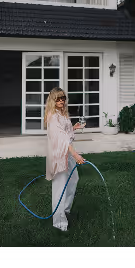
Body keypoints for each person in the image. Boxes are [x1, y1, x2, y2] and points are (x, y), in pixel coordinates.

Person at [43, 88, 87, 233]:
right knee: (60, 187)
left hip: (66, 154)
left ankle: (65, 209)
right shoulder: (52, 116)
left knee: (73, 179)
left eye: (63, 98)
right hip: (58, 156)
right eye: (58, 99)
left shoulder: (62, 114)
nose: (61, 101)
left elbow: (66, 134)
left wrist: (73, 127)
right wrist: (75, 155)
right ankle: (59, 221)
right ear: (53, 100)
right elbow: (61, 139)